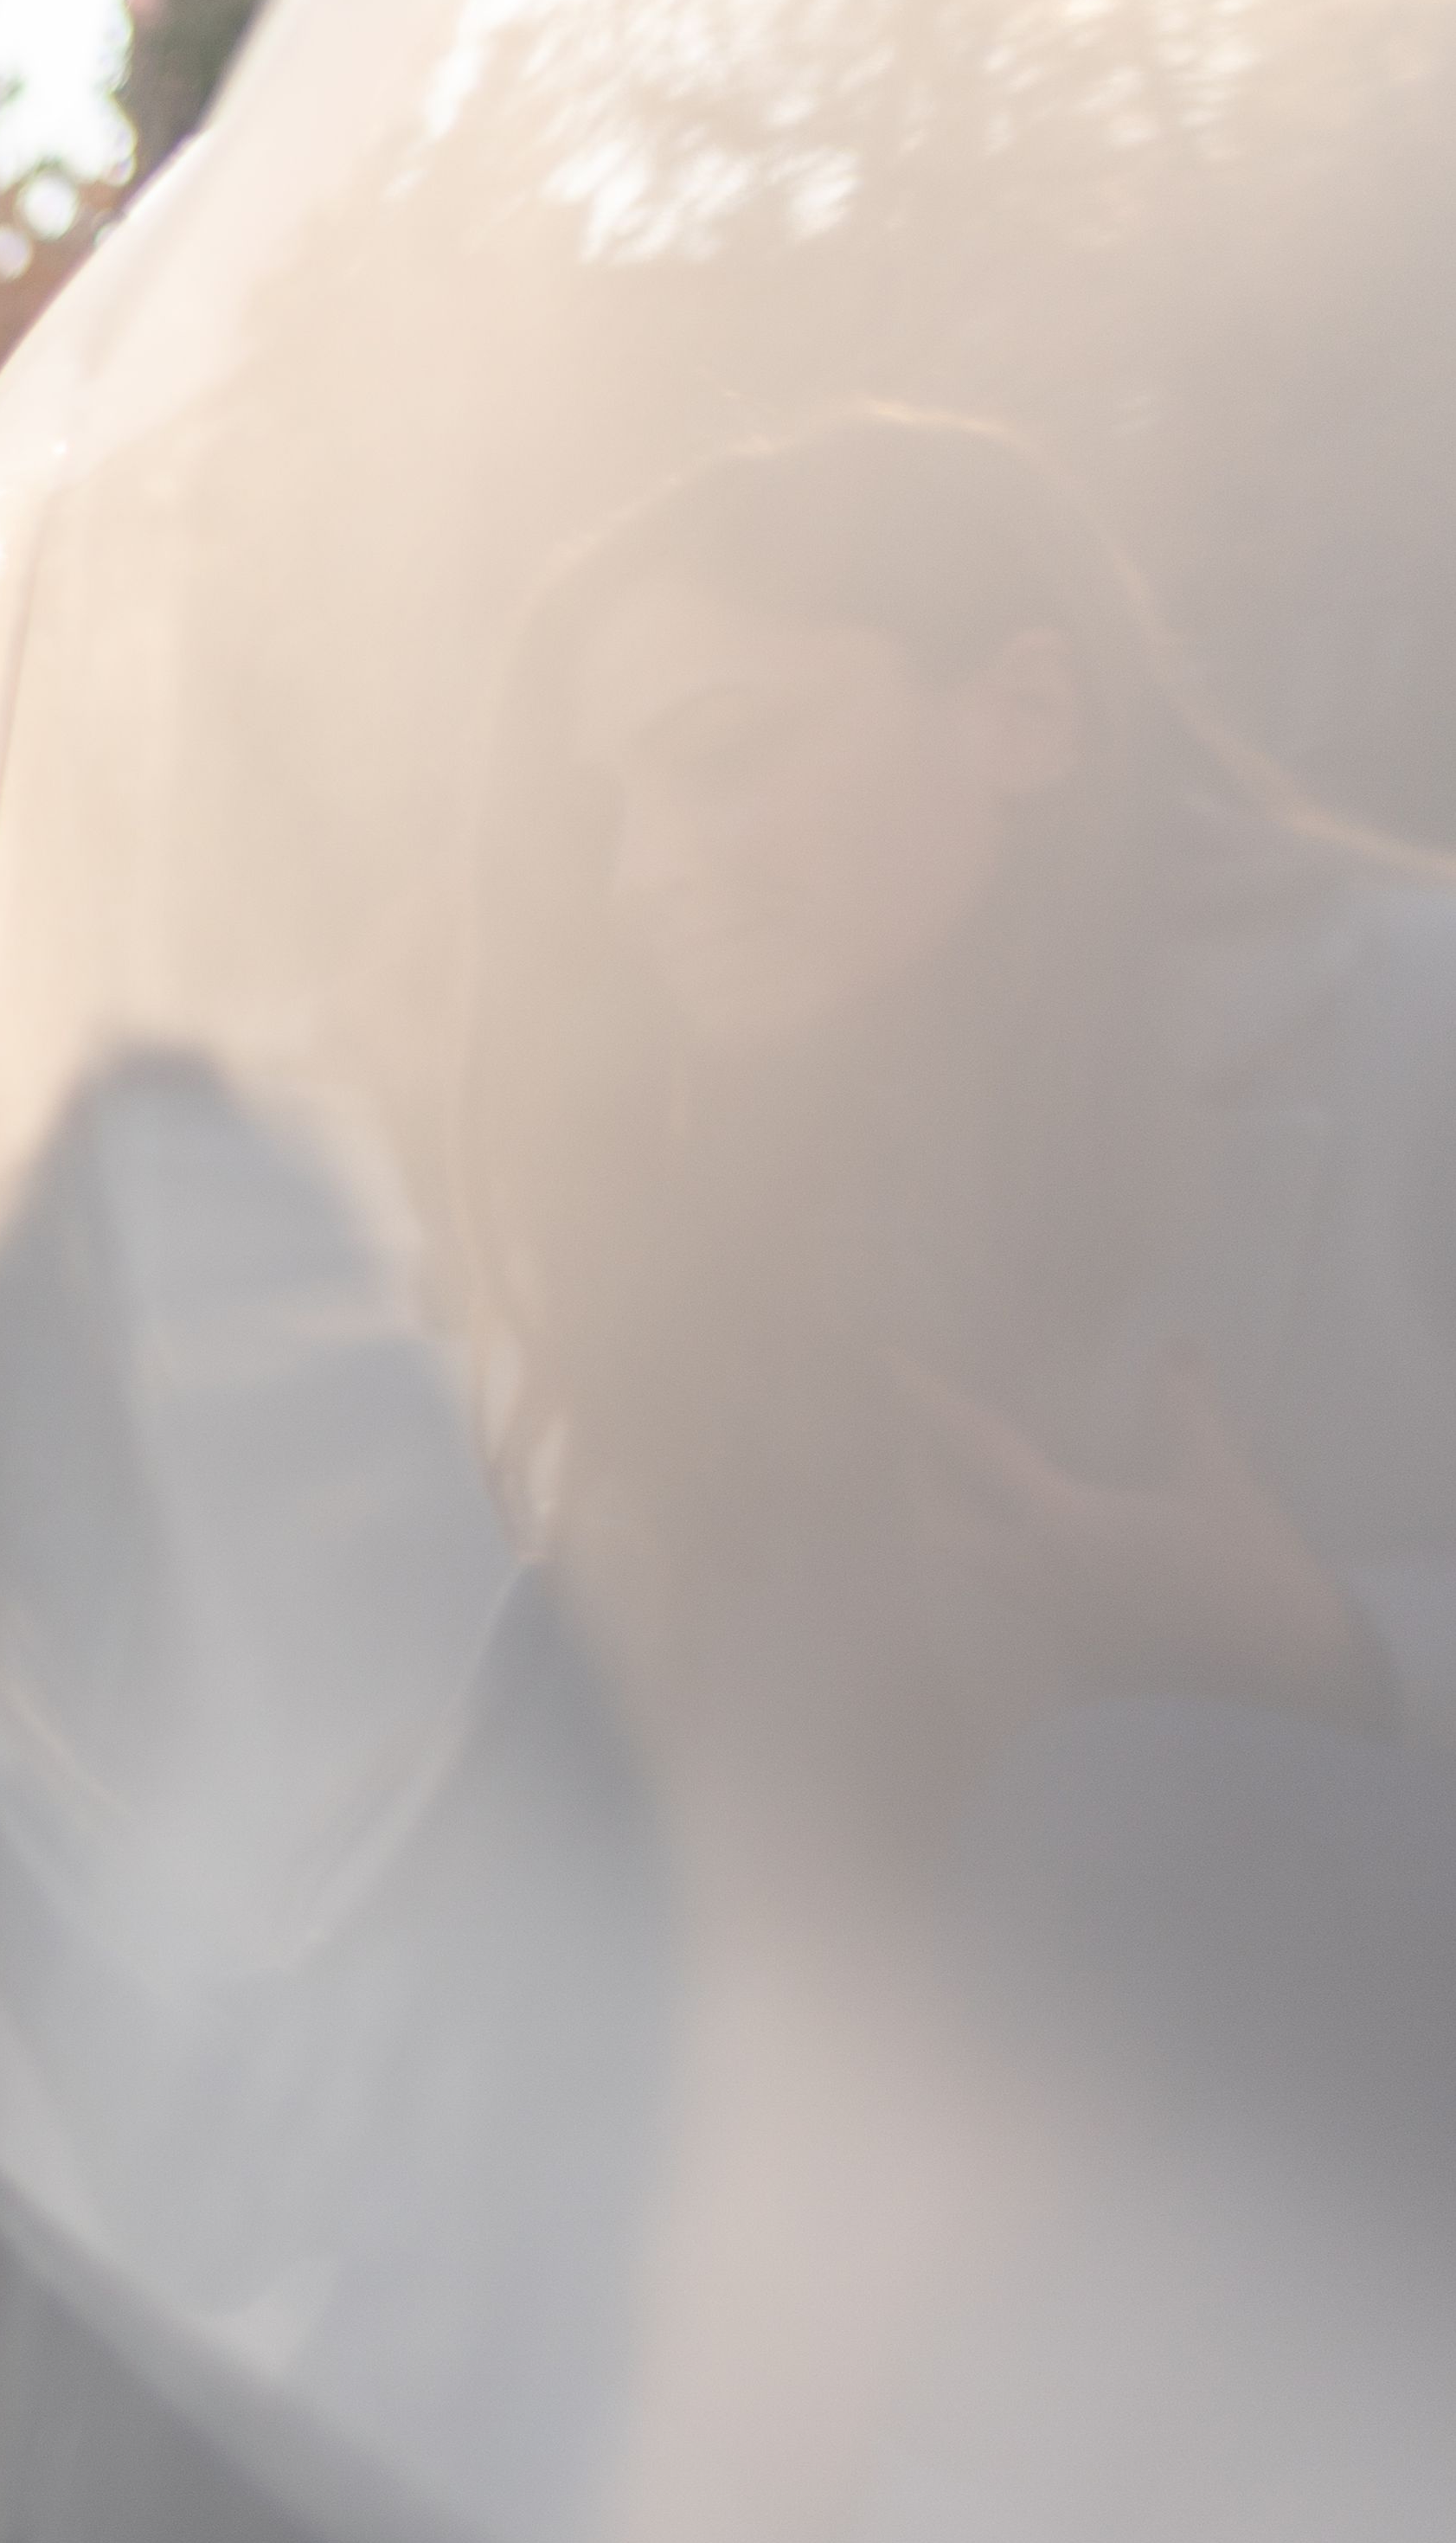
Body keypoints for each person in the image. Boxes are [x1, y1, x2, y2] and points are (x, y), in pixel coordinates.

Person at [461, 405, 1456, 1824]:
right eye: (607, 805)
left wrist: (1333, 1647)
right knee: (569, 1664)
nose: (640, 870)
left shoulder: (1424, 1019)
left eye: (722, 750)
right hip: (898, 2014)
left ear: (1025, 716)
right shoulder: (736, 1187)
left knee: (1118, 1804)